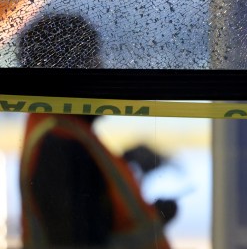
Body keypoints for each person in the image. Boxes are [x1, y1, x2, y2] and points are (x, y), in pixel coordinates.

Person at [18, 13, 175, 249]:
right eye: (93, 60)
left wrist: (127, 161)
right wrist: (157, 218)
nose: (101, 69)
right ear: (72, 69)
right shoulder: (61, 143)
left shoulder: (65, 132)